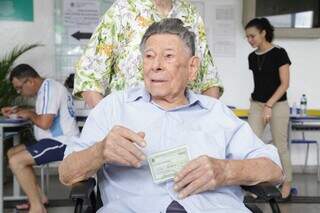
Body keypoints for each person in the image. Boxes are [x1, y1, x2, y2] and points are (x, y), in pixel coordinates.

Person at [59, 18, 283, 212]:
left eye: (168, 56)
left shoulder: (216, 113)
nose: (155, 66)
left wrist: (226, 171)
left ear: (192, 67)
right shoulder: (113, 108)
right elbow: (66, 173)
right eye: (149, 56)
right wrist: (99, 153)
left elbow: (274, 170)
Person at [74, 0, 223, 108]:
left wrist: (207, 122)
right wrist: (110, 123)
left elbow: (208, 79)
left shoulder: (190, 14)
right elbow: (89, 75)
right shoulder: (123, 10)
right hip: (132, 126)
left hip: (184, 124)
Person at [1, 64, 80, 213]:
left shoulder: (50, 89)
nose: (19, 92)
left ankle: (37, 208)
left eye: (19, 88)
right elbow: (45, 113)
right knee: (12, 153)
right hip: (49, 140)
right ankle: (39, 198)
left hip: (62, 142)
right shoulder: (47, 88)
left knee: (16, 161)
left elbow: (44, 123)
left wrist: (29, 114)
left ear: (30, 81)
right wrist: (18, 111)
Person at [245, 17, 292, 200]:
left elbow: (284, 84)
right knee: (249, 145)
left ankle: (287, 182)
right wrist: (256, 101)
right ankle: (253, 183)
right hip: (257, 105)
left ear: (264, 33)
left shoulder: (280, 53)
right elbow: (261, 82)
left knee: (280, 146)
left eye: (252, 36)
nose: (250, 40)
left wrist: (269, 105)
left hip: (277, 105)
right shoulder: (251, 57)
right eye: (247, 37)